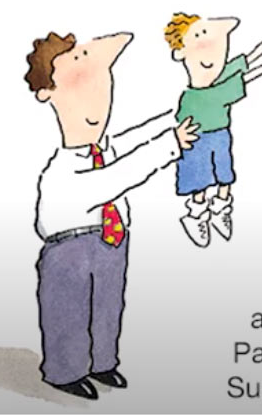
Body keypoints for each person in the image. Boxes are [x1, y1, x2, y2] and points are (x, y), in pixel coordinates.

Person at [25, 31, 199, 400]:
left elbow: (132, 141)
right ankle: (64, 371)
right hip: (68, 248)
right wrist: (170, 145)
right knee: (68, 313)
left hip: (111, 241)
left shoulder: (106, 149)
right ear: (49, 94)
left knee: (108, 304)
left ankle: (103, 362)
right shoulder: (62, 172)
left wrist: (176, 118)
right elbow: (115, 179)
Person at [164, 14, 262, 247]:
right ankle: (196, 215)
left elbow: (247, 66)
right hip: (197, 138)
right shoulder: (191, 97)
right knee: (200, 180)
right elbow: (246, 74)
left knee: (225, 175)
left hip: (220, 134)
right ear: (181, 52)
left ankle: (220, 209)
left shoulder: (221, 76)